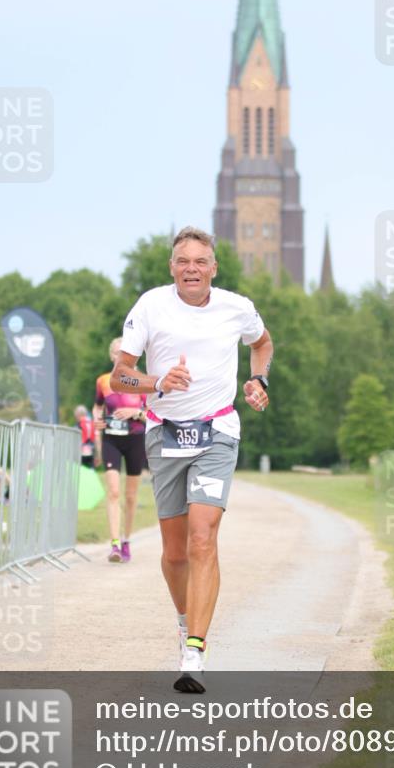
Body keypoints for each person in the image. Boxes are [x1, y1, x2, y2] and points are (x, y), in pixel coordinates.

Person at [111, 226, 273, 690]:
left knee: (203, 539)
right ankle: (186, 621)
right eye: (183, 261)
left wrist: (258, 381)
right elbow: (121, 377)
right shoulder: (150, 305)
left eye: (200, 261)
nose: (192, 269)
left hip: (216, 432)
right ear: (172, 268)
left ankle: (195, 652)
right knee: (174, 553)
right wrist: (157, 382)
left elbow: (262, 343)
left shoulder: (236, 308)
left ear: (213, 268)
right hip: (165, 435)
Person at [94, 339, 147, 563]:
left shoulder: (144, 381)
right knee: (114, 492)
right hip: (111, 440)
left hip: (135, 439)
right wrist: (96, 422)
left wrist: (133, 412)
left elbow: (151, 415)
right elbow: (97, 407)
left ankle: (126, 540)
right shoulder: (104, 381)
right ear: (111, 356)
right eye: (116, 353)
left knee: (131, 496)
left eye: (123, 353)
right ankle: (114, 544)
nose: (119, 356)